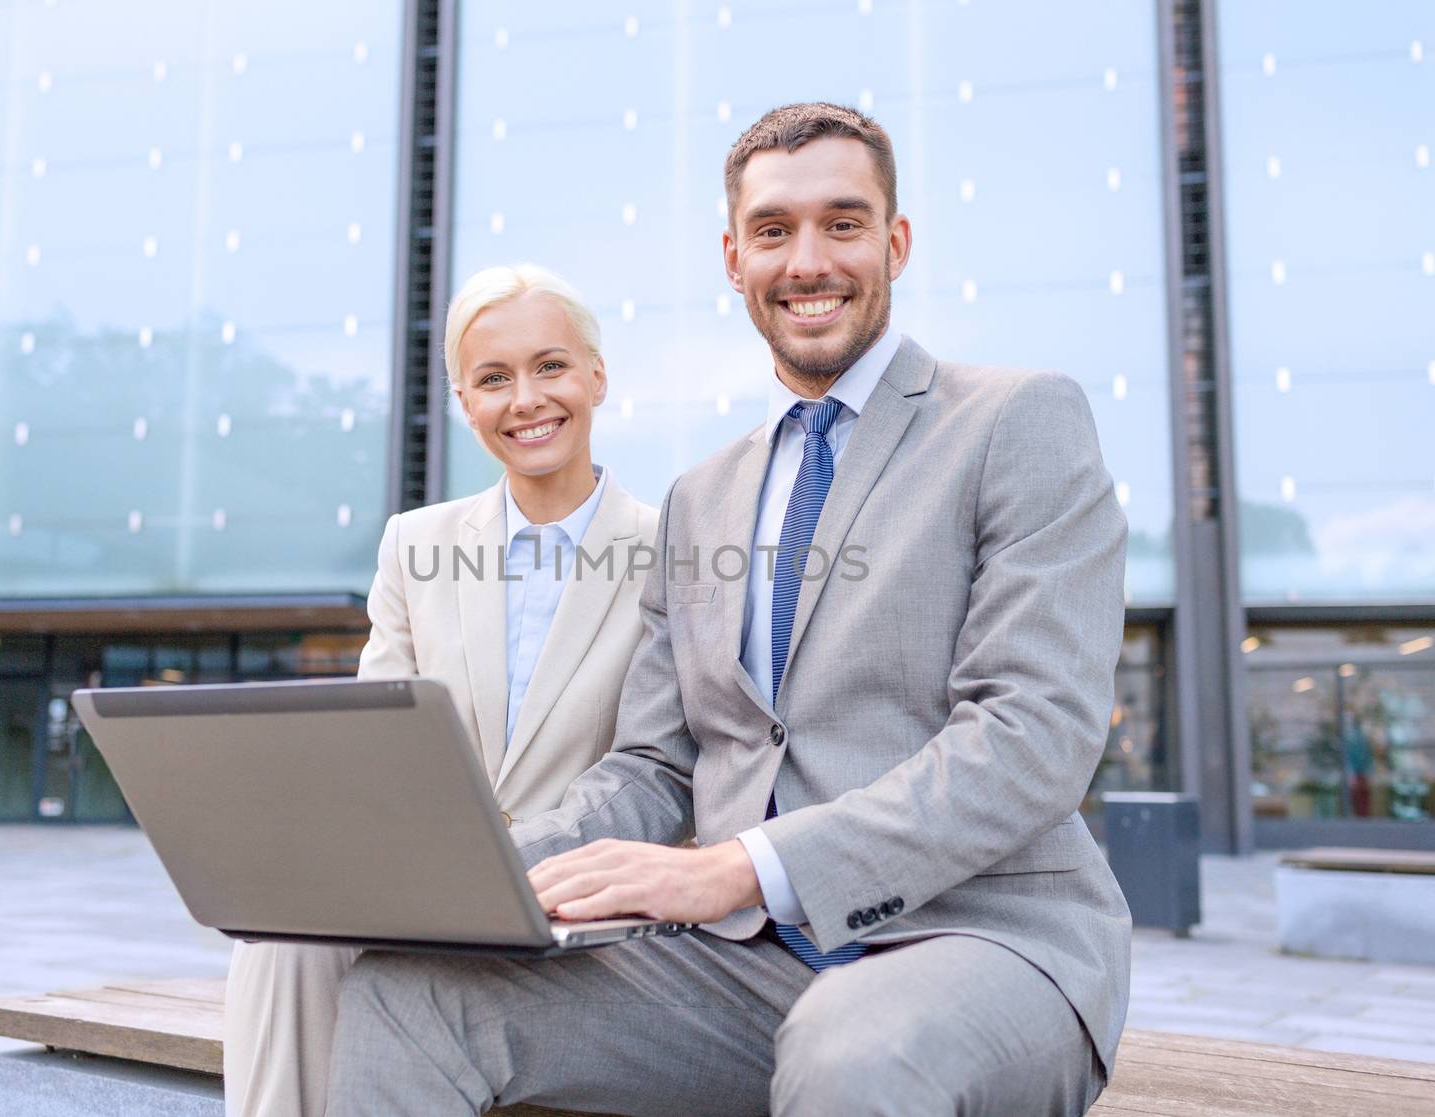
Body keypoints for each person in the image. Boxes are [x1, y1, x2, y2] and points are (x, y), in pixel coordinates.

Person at [326, 102, 1131, 1117]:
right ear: (732, 256)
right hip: (742, 973)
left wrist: (739, 868)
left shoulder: (1016, 421)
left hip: (979, 937)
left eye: (842, 224)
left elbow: (1032, 736)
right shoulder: (700, 498)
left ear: (896, 241)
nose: (808, 260)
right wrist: (461, 869)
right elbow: (657, 765)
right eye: (772, 230)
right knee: (408, 994)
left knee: (852, 1054)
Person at [222, 264, 659, 1117]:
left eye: (551, 367)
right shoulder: (414, 543)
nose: (526, 399)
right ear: (466, 402)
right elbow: (377, 753)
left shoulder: (676, 547)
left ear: (597, 377)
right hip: (427, 883)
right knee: (283, 934)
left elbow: (666, 768)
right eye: (494, 379)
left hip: (579, 901)